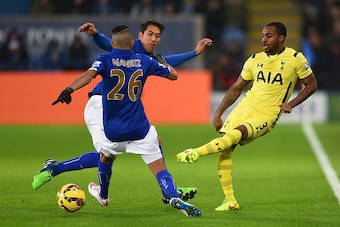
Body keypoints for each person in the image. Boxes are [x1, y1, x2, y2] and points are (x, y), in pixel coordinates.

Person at [32, 19, 212, 205]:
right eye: (150, 34)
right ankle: (56, 168)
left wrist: (194, 53)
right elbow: (108, 44)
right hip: (100, 104)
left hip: (121, 108)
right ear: (139, 36)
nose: (154, 39)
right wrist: (95, 35)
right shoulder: (131, 47)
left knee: (152, 141)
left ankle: (168, 191)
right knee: (106, 154)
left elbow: (164, 61)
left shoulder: (144, 57)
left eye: (157, 36)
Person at [176, 22, 318, 211]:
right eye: (262, 36)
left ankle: (196, 152)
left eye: (269, 36)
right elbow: (236, 88)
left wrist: (291, 103)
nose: (264, 39)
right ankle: (230, 201)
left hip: (268, 112)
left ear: (281, 38)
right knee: (226, 149)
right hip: (246, 106)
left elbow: (311, 85)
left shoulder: (295, 58)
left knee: (238, 133)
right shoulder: (254, 59)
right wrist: (218, 113)